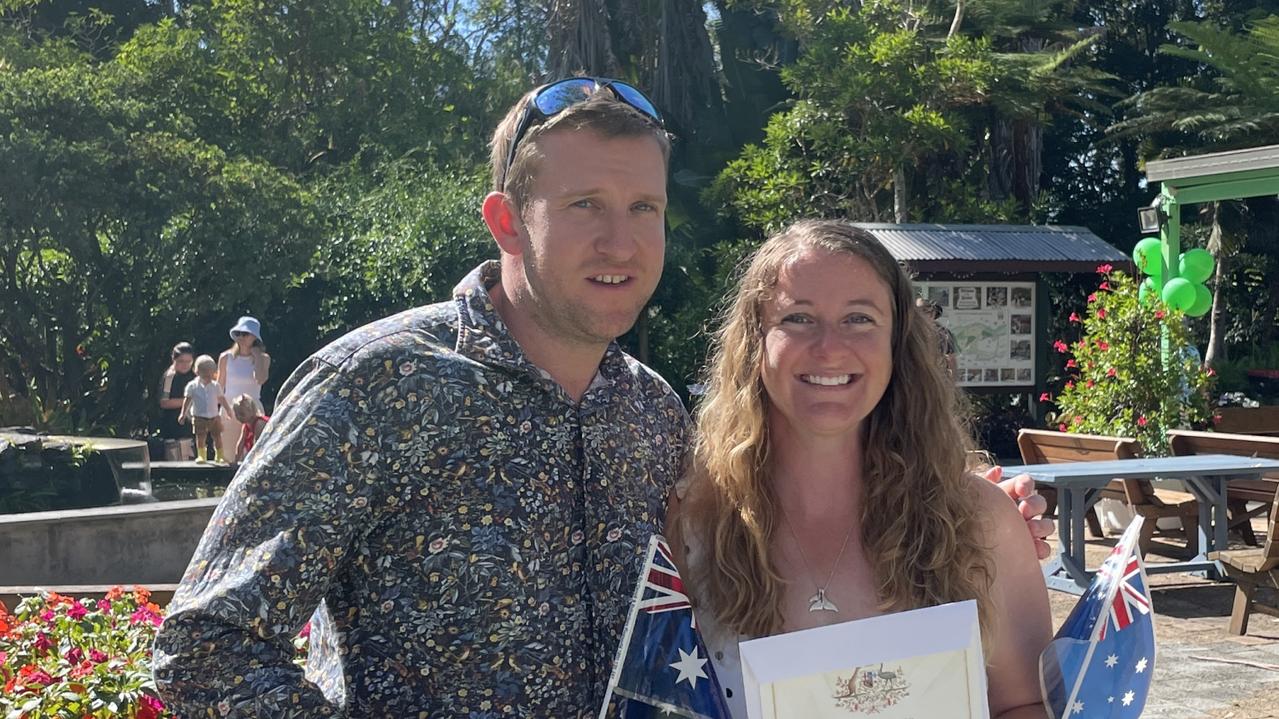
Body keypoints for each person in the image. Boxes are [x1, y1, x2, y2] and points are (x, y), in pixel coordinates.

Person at [153, 79, 1051, 716]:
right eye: (585, 204)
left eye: (645, 208)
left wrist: (991, 511)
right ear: (506, 218)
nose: (620, 240)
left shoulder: (650, 413)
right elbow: (207, 640)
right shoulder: (378, 382)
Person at [673, 221, 1051, 718]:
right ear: (754, 342)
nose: (830, 347)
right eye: (799, 318)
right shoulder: (693, 521)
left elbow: (1023, 705)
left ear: (897, 344)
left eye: (859, 318)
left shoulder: (979, 520)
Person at [217, 316, 270, 462]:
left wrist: (257, 356)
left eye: (245, 334)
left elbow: (261, 379)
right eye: (238, 333)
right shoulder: (225, 357)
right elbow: (219, 387)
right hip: (229, 410)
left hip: (253, 411)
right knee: (229, 456)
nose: (241, 337)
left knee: (255, 454)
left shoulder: (264, 358)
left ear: (254, 337)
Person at [179, 355, 232, 464]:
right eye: (205, 375)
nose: (208, 377)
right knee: (200, 436)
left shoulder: (216, 386)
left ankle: (219, 455)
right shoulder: (192, 386)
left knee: (217, 436)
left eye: (210, 375)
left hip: (214, 416)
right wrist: (183, 413)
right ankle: (201, 456)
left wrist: (228, 409)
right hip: (199, 416)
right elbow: (187, 400)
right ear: (197, 372)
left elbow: (221, 398)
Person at [156, 342, 196, 460]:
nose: (185, 365)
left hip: (189, 426)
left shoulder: (193, 375)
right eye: (181, 361)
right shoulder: (170, 376)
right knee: (176, 459)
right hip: (173, 425)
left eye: (188, 361)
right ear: (174, 359)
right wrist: (188, 401)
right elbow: (164, 402)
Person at [916, 296, 958, 377]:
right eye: (918, 311)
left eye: (925, 311)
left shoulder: (943, 333)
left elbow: (951, 359)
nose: (920, 314)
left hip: (935, 378)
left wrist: (952, 384)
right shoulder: (908, 332)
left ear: (933, 314)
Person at [230, 394, 269, 464]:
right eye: (236, 414)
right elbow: (240, 443)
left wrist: (253, 461)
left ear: (251, 411)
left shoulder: (259, 424)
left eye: (242, 414)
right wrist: (236, 461)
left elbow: (258, 444)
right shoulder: (246, 425)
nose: (239, 417)